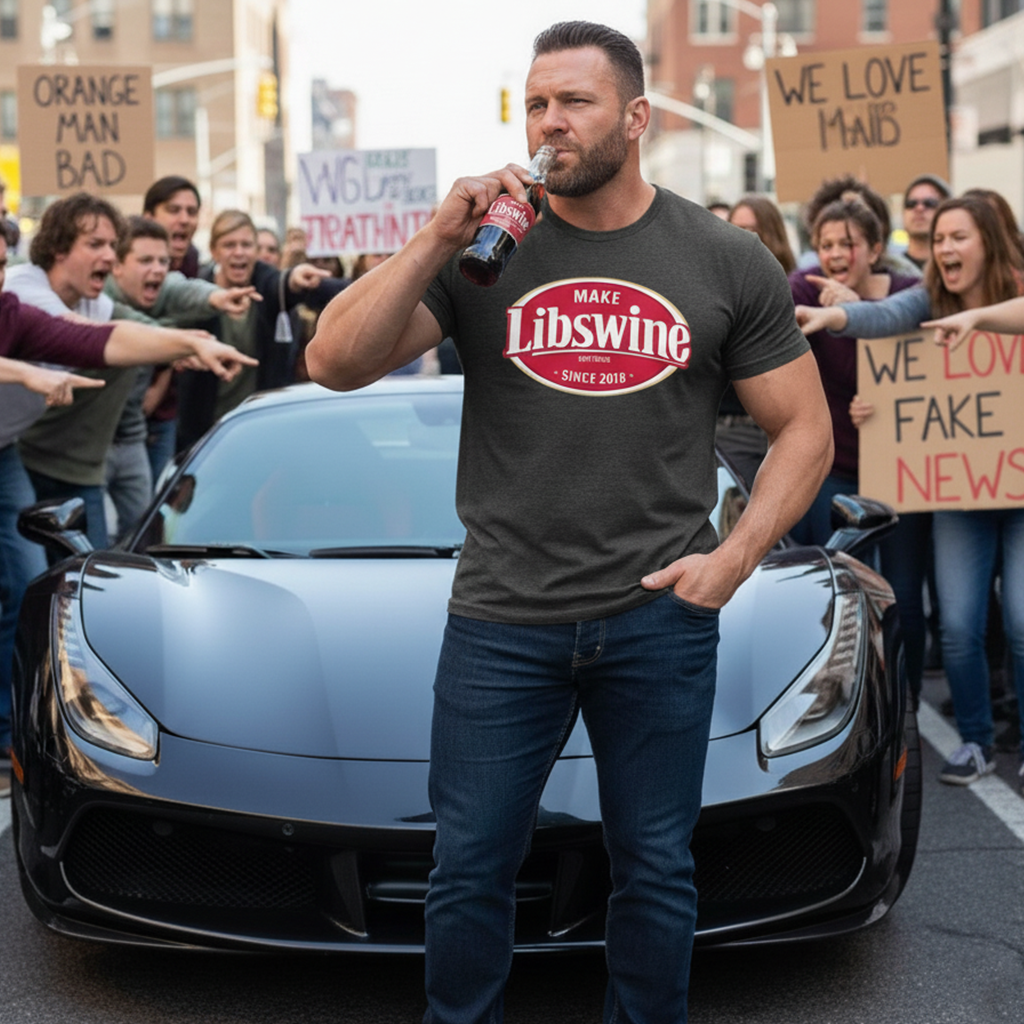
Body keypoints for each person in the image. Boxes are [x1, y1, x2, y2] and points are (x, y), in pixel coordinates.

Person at [306, 20, 832, 1024]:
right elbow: (333, 363)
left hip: (658, 618)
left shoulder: (721, 258)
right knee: (467, 871)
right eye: (536, 102)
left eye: (574, 102)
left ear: (634, 118)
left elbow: (803, 428)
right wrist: (434, 237)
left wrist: (731, 559)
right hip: (501, 619)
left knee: (654, 866)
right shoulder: (487, 254)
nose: (550, 123)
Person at [0, 215, 255, 784]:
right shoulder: (27, 288)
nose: (109, 258)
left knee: (29, 584)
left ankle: (9, 732)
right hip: (41, 457)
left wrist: (188, 338)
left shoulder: (12, 310)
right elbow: (69, 328)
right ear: (58, 248)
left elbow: (97, 338)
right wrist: (22, 372)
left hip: (9, 451)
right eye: (97, 245)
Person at [796, 194, 1024, 790]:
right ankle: (974, 741)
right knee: (958, 625)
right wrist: (838, 322)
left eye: (959, 237)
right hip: (959, 497)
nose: (945, 248)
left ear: (991, 242)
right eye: (940, 238)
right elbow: (883, 317)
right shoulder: (927, 300)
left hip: (1018, 494)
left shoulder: (1016, 289)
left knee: (1022, 624)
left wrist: (980, 320)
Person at [103, 216, 258, 537]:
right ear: (116, 266)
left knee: (146, 536)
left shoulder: (161, 286)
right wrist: (186, 347)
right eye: (145, 260)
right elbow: (131, 328)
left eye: (163, 261)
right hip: (80, 449)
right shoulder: (98, 299)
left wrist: (217, 297)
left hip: (130, 436)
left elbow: (180, 287)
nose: (158, 269)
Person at [788, 197, 920, 546]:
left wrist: (856, 311)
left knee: (903, 586)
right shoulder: (805, 289)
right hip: (838, 467)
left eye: (848, 244)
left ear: (875, 251)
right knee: (841, 572)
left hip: (904, 468)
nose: (835, 254)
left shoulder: (909, 292)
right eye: (826, 246)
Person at [176, 209, 350, 450]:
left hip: (259, 425)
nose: (239, 252)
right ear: (214, 251)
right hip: (205, 431)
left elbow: (280, 283)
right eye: (229, 245)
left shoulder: (265, 283)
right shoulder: (197, 290)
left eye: (246, 245)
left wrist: (294, 278)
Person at [719, 194, 798, 484]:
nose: (742, 239)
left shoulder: (796, 291)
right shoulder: (716, 291)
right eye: (734, 229)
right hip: (716, 432)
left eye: (752, 230)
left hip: (757, 435)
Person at [901, 173, 950, 270]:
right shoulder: (890, 271)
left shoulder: (955, 268)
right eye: (911, 203)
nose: (919, 208)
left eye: (929, 203)